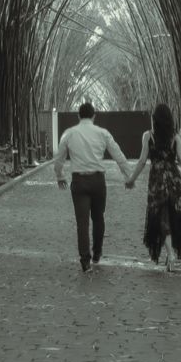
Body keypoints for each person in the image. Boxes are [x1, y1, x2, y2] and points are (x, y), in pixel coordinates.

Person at [55, 102, 131, 272]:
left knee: (82, 223)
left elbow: (59, 158)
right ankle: (97, 253)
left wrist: (60, 176)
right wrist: (128, 176)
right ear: (94, 116)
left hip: (79, 181)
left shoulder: (69, 133)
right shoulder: (103, 133)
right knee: (98, 218)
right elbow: (118, 154)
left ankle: (85, 261)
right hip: (98, 181)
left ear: (78, 116)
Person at [125, 102, 181, 269]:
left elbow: (142, 161)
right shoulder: (175, 137)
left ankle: (170, 254)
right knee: (173, 215)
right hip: (174, 179)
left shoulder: (148, 136)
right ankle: (170, 253)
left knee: (161, 216)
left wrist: (131, 179)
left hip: (157, 181)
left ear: (155, 119)